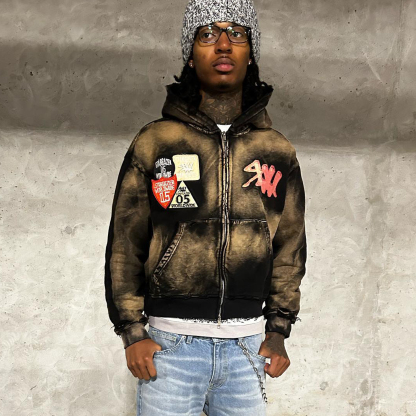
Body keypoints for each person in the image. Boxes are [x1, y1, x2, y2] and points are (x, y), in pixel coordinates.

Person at [104, 0, 307, 414]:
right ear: (190, 53)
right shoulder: (157, 142)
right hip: (170, 346)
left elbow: (289, 246)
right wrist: (132, 331)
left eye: (237, 33)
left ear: (251, 53)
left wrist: (278, 329)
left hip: (247, 347)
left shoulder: (276, 150)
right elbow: (126, 242)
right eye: (207, 33)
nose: (223, 44)